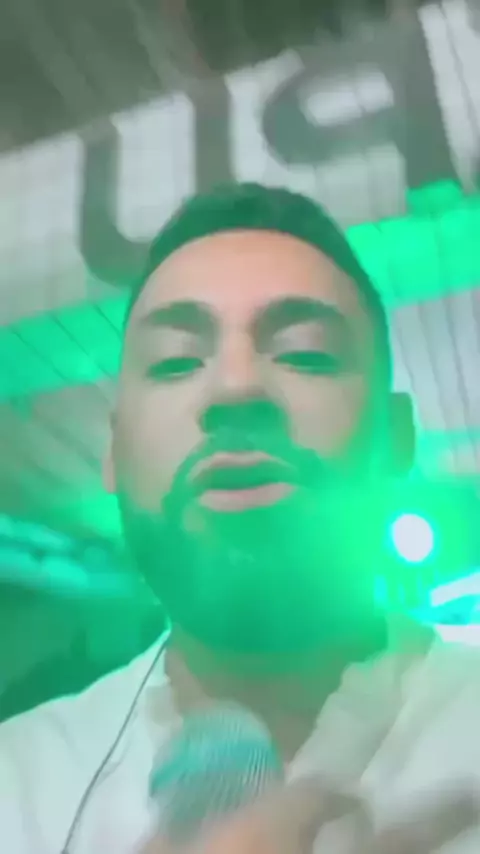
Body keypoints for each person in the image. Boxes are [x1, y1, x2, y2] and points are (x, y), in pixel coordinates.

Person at [0, 183, 478, 854]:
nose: (236, 386)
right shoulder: (15, 783)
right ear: (113, 451)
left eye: (305, 352)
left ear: (397, 440)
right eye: (176, 360)